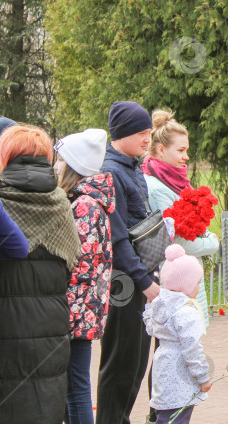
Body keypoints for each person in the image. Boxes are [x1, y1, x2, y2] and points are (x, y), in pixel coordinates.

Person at [0, 125, 82, 422]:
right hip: (50, 330)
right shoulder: (61, 204)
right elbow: (72, 266)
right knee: (42, 405)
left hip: (6, 329)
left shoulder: (2, 203)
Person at [97, 101, 161, 424]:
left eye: (149, 132)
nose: (147, 138)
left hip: (140, 276)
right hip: (125, 283)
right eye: (141, 132)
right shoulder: (112, 172)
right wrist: (145, 281)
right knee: (121, 364)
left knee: (135, 365)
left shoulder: (132, 167)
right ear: (121, 133)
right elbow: (118, 237)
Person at [55, 128, 116, 424]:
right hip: (85, 308)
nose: (56, 166)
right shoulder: (89, 202)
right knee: (72, 384)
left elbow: (79, 264)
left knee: (76, 385)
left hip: (77, 309)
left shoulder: (83, 206)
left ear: (73, 166)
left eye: (60, 161)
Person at [143, 110, 219, 326]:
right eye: (181, 150)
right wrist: (212, 243)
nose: (186, 156)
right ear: (161, 150)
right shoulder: (158, 189)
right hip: (175, 281)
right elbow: (174, 240)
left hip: (186, 278)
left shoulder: (173, 181)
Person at [144, 245, 211, 424]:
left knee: (165, 414)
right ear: (186, 285)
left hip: (162, 367)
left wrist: (149, 307)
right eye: (197, 283)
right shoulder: (187, 312)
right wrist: (203, 377)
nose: (198, 287)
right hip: (179, 374)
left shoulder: (160, 305)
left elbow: (150, 328)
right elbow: (192, 349)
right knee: (177, 417)